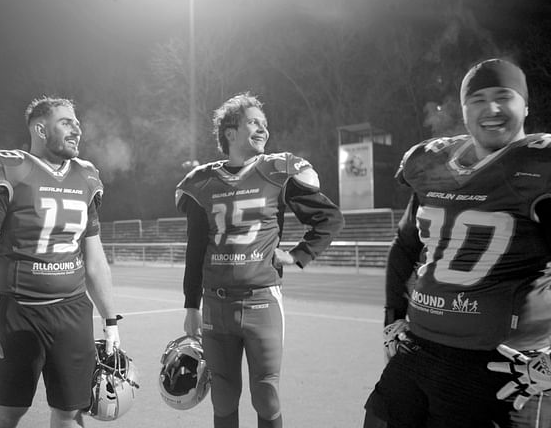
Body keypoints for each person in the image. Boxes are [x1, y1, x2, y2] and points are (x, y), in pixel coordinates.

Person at [364, 58, 551, 427]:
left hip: (503, 367)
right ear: (464, 109)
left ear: (526, 106)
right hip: (418, 351)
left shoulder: (538, 166)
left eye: (504, 96)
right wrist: (393, 318)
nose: (491, 108)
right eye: (478, 99)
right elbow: (405, 245)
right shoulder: (432, 163)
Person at [175, 92, 344, 428]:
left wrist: (297, 254)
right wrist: (191, 305)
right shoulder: (202, 182)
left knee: (266, 395)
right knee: (223, 396)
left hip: (262, 302)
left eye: (264, 124)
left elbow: (330, 218)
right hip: (216, 305)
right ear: (230, 132)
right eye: (253, 122)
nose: (263, 129)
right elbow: (195, 249)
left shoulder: (275, 172)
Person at [0, 96, 121, 428]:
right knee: (6, 414)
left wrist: (111, 321)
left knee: (70, 413)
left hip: (73, 312)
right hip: (20, 311)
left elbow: (95, 259)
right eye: (66, 122)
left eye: (77, 122)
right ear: (40, 129)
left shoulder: (86, 176)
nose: (76, 128)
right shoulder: (7, 169)